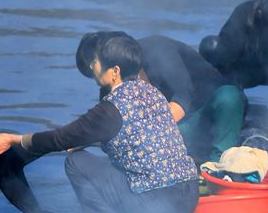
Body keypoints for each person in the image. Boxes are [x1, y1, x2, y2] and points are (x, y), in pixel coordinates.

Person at [0, 34, 199, 213]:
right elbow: (135, 135)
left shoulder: (111, 108)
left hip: (154, 205)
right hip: (188, 198)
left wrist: (13, 139)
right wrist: (90, 140)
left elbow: (60, 138)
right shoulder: (152, 93)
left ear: (115, 71)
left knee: (77, 162)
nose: (92, 67)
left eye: (96, 62)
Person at [76, 32, 247, 164]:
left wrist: (147, 133)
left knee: (229, 97)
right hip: (174, 136)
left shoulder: (158, 49)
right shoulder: (109, 88)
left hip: (206, 117)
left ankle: (217, 166)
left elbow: (184, 96)